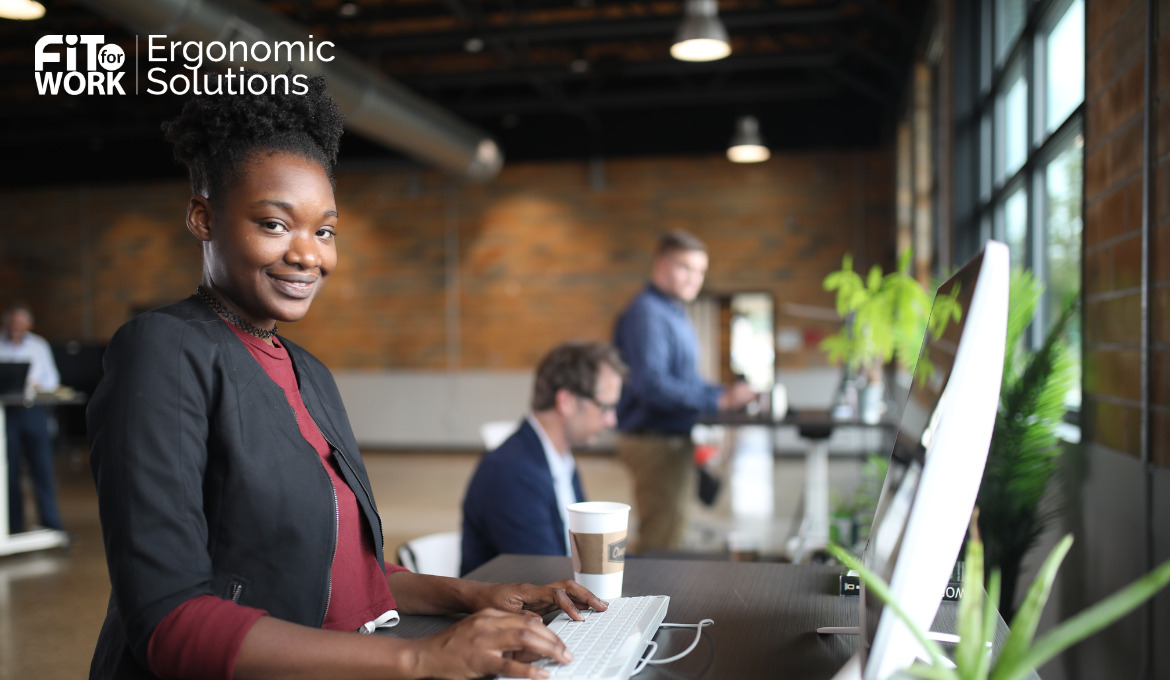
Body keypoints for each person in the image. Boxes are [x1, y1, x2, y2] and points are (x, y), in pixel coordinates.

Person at [86, 74, 605, 680]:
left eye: (324, 230)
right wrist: (419, 656)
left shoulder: (310, 374)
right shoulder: (164, 349)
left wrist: (478, 596)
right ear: (203, 217)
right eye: (275, 224)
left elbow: (346, 573)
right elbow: (170, 621)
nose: (310, 254)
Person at [612, 230, 757, 554]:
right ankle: (642, 603)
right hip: (654, 441)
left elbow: (686, 379)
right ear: (661, 265)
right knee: (659, 540)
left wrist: (724, 393)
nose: (695, 279)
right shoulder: (648, 313)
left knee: (671, 531)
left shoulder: (673, 311)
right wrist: (716, 400)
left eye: (700, 271)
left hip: (670, 439)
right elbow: (651, 384)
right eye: (685, 268)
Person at [461, 342, 627, 575]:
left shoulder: (560, 460)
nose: (612, 421)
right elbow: (543, 578)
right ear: (567, 402)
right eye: (605, 406)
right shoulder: (510, 472)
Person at [0, 303, 66, 536]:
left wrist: (37, 385)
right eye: (12, 322)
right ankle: (13, 528)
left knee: (42, 468)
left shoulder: (39, 346)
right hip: (5, 415)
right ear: (5, 323)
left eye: (20, 323)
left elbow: (52, 380)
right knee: (8, 472)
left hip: (34, 410)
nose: (16, 327)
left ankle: (52, 525)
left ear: (29, 324)